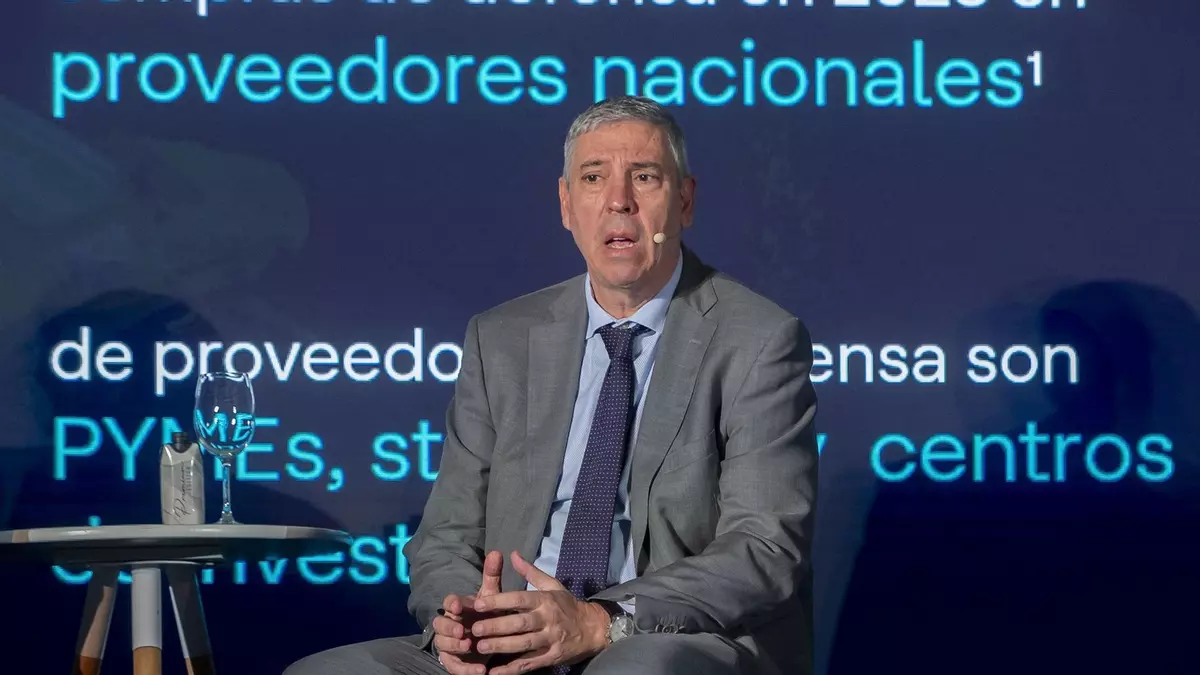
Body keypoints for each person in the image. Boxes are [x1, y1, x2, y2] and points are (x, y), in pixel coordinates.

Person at [284, 95, 819, 675]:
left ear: (685, 200)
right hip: (512, 636)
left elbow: (764, 546)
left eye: (645, 177)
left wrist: (598, 620)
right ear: (566, 205)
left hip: (661, 637)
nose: (618, 200)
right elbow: (445, 535)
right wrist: (462, 619)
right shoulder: (501, 338)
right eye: (593, 178)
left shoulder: (758, 338)